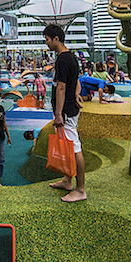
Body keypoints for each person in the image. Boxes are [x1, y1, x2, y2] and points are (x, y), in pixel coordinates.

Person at [44, 24, 86, 203]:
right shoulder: (71, 57)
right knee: (67, 147)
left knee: (75, 149)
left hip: (66, 112)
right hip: (69, 108)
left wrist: (59, 114)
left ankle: (81, 189)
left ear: (56, 39)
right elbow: (76, 80)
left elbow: (61, 88)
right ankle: (68, 181)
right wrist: (76, 94)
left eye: (47, 39)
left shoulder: (62, 60)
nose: (46, 43)